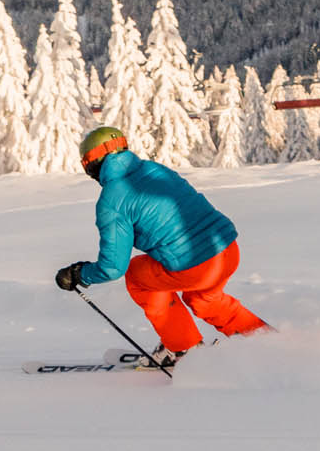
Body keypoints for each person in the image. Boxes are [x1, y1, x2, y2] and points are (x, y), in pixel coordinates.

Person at [55, 127, 268, 367]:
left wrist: (79, 274)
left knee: (137, 275)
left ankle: (185, 350)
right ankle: (268, 344)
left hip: (195, 265)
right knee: (204, 300)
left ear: (91, 162)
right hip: (226, 250)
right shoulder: (154, 169)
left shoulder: (113, 199)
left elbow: (113, 267)